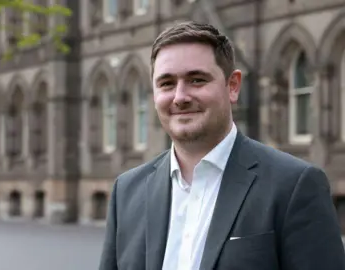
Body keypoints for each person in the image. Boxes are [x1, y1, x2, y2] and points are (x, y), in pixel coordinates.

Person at [98, 21, 345, 270]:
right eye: (167, 83)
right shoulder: (127, 191)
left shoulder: (294, 186)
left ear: (233, 86)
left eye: (196, 80)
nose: (180, 97)